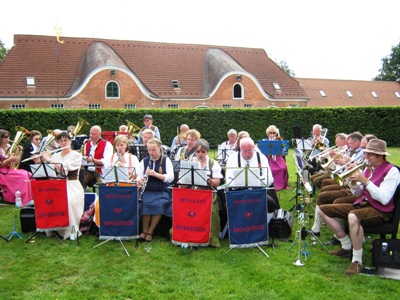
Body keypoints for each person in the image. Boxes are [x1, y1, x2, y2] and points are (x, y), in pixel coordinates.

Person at [318, 139, 400, 275]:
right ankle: (346, 244)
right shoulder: (369, 169)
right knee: (323, 209)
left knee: (352, 216)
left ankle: (357, 261)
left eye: (370, 155)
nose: (366, 157)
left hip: (381, 211)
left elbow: (385, 199)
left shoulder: (392, 171)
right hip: (363, 203)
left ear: (380, 156)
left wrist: (365, 181)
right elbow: (358, 193)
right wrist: (353, 182)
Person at [41, 132, 85, 239]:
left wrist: (49, 160)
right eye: (60, 141)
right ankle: (53, 228)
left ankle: (70, 231)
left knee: (68, 200)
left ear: (70, 141)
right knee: (46, 199)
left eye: (65, 140)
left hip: (72, 185)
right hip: (57, 184)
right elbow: (50, 171)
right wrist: (39, 160)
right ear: (58, 143)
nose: (63, 143)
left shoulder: (77, 155)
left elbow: (63, 169)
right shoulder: (56, 155)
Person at [226, 137, 280, 215]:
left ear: (254, 148)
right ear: (240, 149)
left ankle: (268, 223)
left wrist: (258, 183)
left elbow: (270, 178)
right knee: (227, 206)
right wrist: (238, 183)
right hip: (239, 192)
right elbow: (228, 179)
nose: (247, 154)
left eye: (250, 150)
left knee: (270, 203)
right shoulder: (232, 158)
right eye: (244, 151)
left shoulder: (261, 157)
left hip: (258, 191)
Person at [136, 137, 174, 242]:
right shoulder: (144, 161)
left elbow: (170, 178)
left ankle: (150, 231)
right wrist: (139, 180)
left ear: (159, 149)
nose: (151, 152)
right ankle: (144, 230)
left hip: (162, 190)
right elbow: (138, 176)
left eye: (154, 150)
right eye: (149, 150)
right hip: (148, 190)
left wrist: (156, 174)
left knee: (160, 204)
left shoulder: (166, 160)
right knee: (145, 202)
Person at [191, 139, 223, 247]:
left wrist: (209, 180)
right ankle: (190, 236)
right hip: (193, 192)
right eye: (198, 151)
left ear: (207, 152)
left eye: (203, 152)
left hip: (208, 193)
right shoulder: (191, 161)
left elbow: (217, 183)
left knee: (212, 211)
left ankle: (211, 238)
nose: (200, 154)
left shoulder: (213, 163)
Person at [0, 129, 33, 206]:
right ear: (0, 138)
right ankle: (20, 198)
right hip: (2, 172)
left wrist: (18, 152)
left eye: (8, 136)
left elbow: (15, 163)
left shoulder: (9, 147)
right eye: (5, 137)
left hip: (9, 170)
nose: (8, 138)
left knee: (29, 174)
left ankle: (29, 198)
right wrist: (10, 159)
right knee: (23, 176)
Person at [264, 125, 289, 190]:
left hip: (278, 158)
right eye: (270, 132)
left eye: (274, 133)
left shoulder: (279, 140)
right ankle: (271, 184)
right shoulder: (265, 141)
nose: (272, 134)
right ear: (268, 133)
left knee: (282, 168)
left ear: (276, 133)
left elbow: (284, 151)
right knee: (271, 169)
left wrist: (280, 143)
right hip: (268, 158)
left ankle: (281, 184)